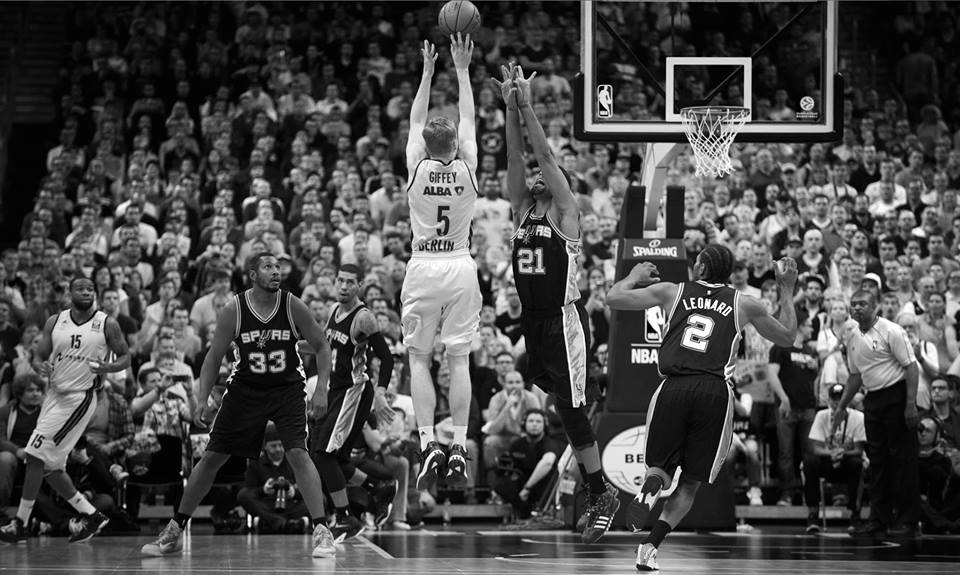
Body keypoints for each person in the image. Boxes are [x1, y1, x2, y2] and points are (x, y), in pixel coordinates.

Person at [606, 245, 798, 571]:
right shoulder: (744, 303)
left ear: (702, 267)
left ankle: (651, 488)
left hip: (673, 387)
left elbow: (614, 298)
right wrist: (786, 289)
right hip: (714, 392)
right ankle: (649, 547)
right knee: (691, 482)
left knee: (659, 468)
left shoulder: (673, 290)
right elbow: (787, 337)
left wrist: (633, 276)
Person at [492, 62, 619, 544]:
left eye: (548, 174)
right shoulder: (522, 209)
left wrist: (526, 104)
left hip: (565, 321)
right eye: (537, 176)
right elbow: (515, 156)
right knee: (563, 413)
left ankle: (598, 491)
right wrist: (508, 107)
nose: (538, 177)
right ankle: (597, 489)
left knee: (571, 408)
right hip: (533, 321)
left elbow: (541, 152)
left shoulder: (566, 213)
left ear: (559, 179)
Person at [140, 253, 338, 558]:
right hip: (246, 388)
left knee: (298, 452)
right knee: (212, 457)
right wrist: (203, 397)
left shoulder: (291, 304)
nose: (275, 272)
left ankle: (322, 530)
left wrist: (321, 388)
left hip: (287, 388)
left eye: (277, 267)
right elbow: (213, 357)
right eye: (268, 267)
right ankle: (175, 529)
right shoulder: (234, 309)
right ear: (253, 274)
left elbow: (322, 345)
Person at [401, 35, 481, 492]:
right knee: (460, 359)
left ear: (427, 146)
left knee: (418, 357)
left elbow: (416, 119)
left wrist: (428, 73)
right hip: (460, 264)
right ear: (454, 143)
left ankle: (429, 440)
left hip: (423, 266)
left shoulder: (416, 165)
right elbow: (469, 117)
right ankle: (459, 444)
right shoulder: (468, 165)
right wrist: (462, 69)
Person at [0, 276, 131, 544]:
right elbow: (39, 357)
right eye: (81, 288)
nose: (86, 292)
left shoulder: (107, 323)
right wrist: (40, 366)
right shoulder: (54, 321)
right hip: (54, 395)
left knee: (34, 454)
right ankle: (92, 515)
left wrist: (108, 368)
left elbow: (126, 356)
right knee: (50, 467)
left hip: (80, 397)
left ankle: (20, 523)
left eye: (90, 289)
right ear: (69, 293)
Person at [310, 264, 396, 538]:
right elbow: (323, 345)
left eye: (350, 282)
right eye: (340, 281)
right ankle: (377, 488)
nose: (344, 286)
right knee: (326, 455)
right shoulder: (335, 311)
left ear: (359, 285)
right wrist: (288, 344)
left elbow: (387, 356)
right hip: (336, 390)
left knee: (324, 455)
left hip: (354, 391)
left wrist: (381, 393)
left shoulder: (364, 318)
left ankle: (346, 517)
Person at [832, 289, 921, 537]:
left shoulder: (892, 330)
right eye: (854, 304)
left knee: (903, 460)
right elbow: (854, 376)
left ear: (875, 307)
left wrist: (910, 404)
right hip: (873, 399)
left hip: (897, 395)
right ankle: (878, 519)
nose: (857, 308)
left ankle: (908, 521)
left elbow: (911, 367)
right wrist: (841, 407)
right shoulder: (851, 337)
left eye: (863, 304)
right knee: (878, 462)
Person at [803, 383, 867, 534]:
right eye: (834, 399)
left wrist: (842, 453)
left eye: (841, 399)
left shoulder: (858, 417)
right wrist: (831, 454)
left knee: (858, 464)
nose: (837, 403)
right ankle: (813, 514)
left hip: (848, 461)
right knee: (809, 462)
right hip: (828, 460)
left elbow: (859, 450)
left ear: (848, 400)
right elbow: (816, 448)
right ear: (829, 401)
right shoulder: (821, 415)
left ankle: (855, 515)